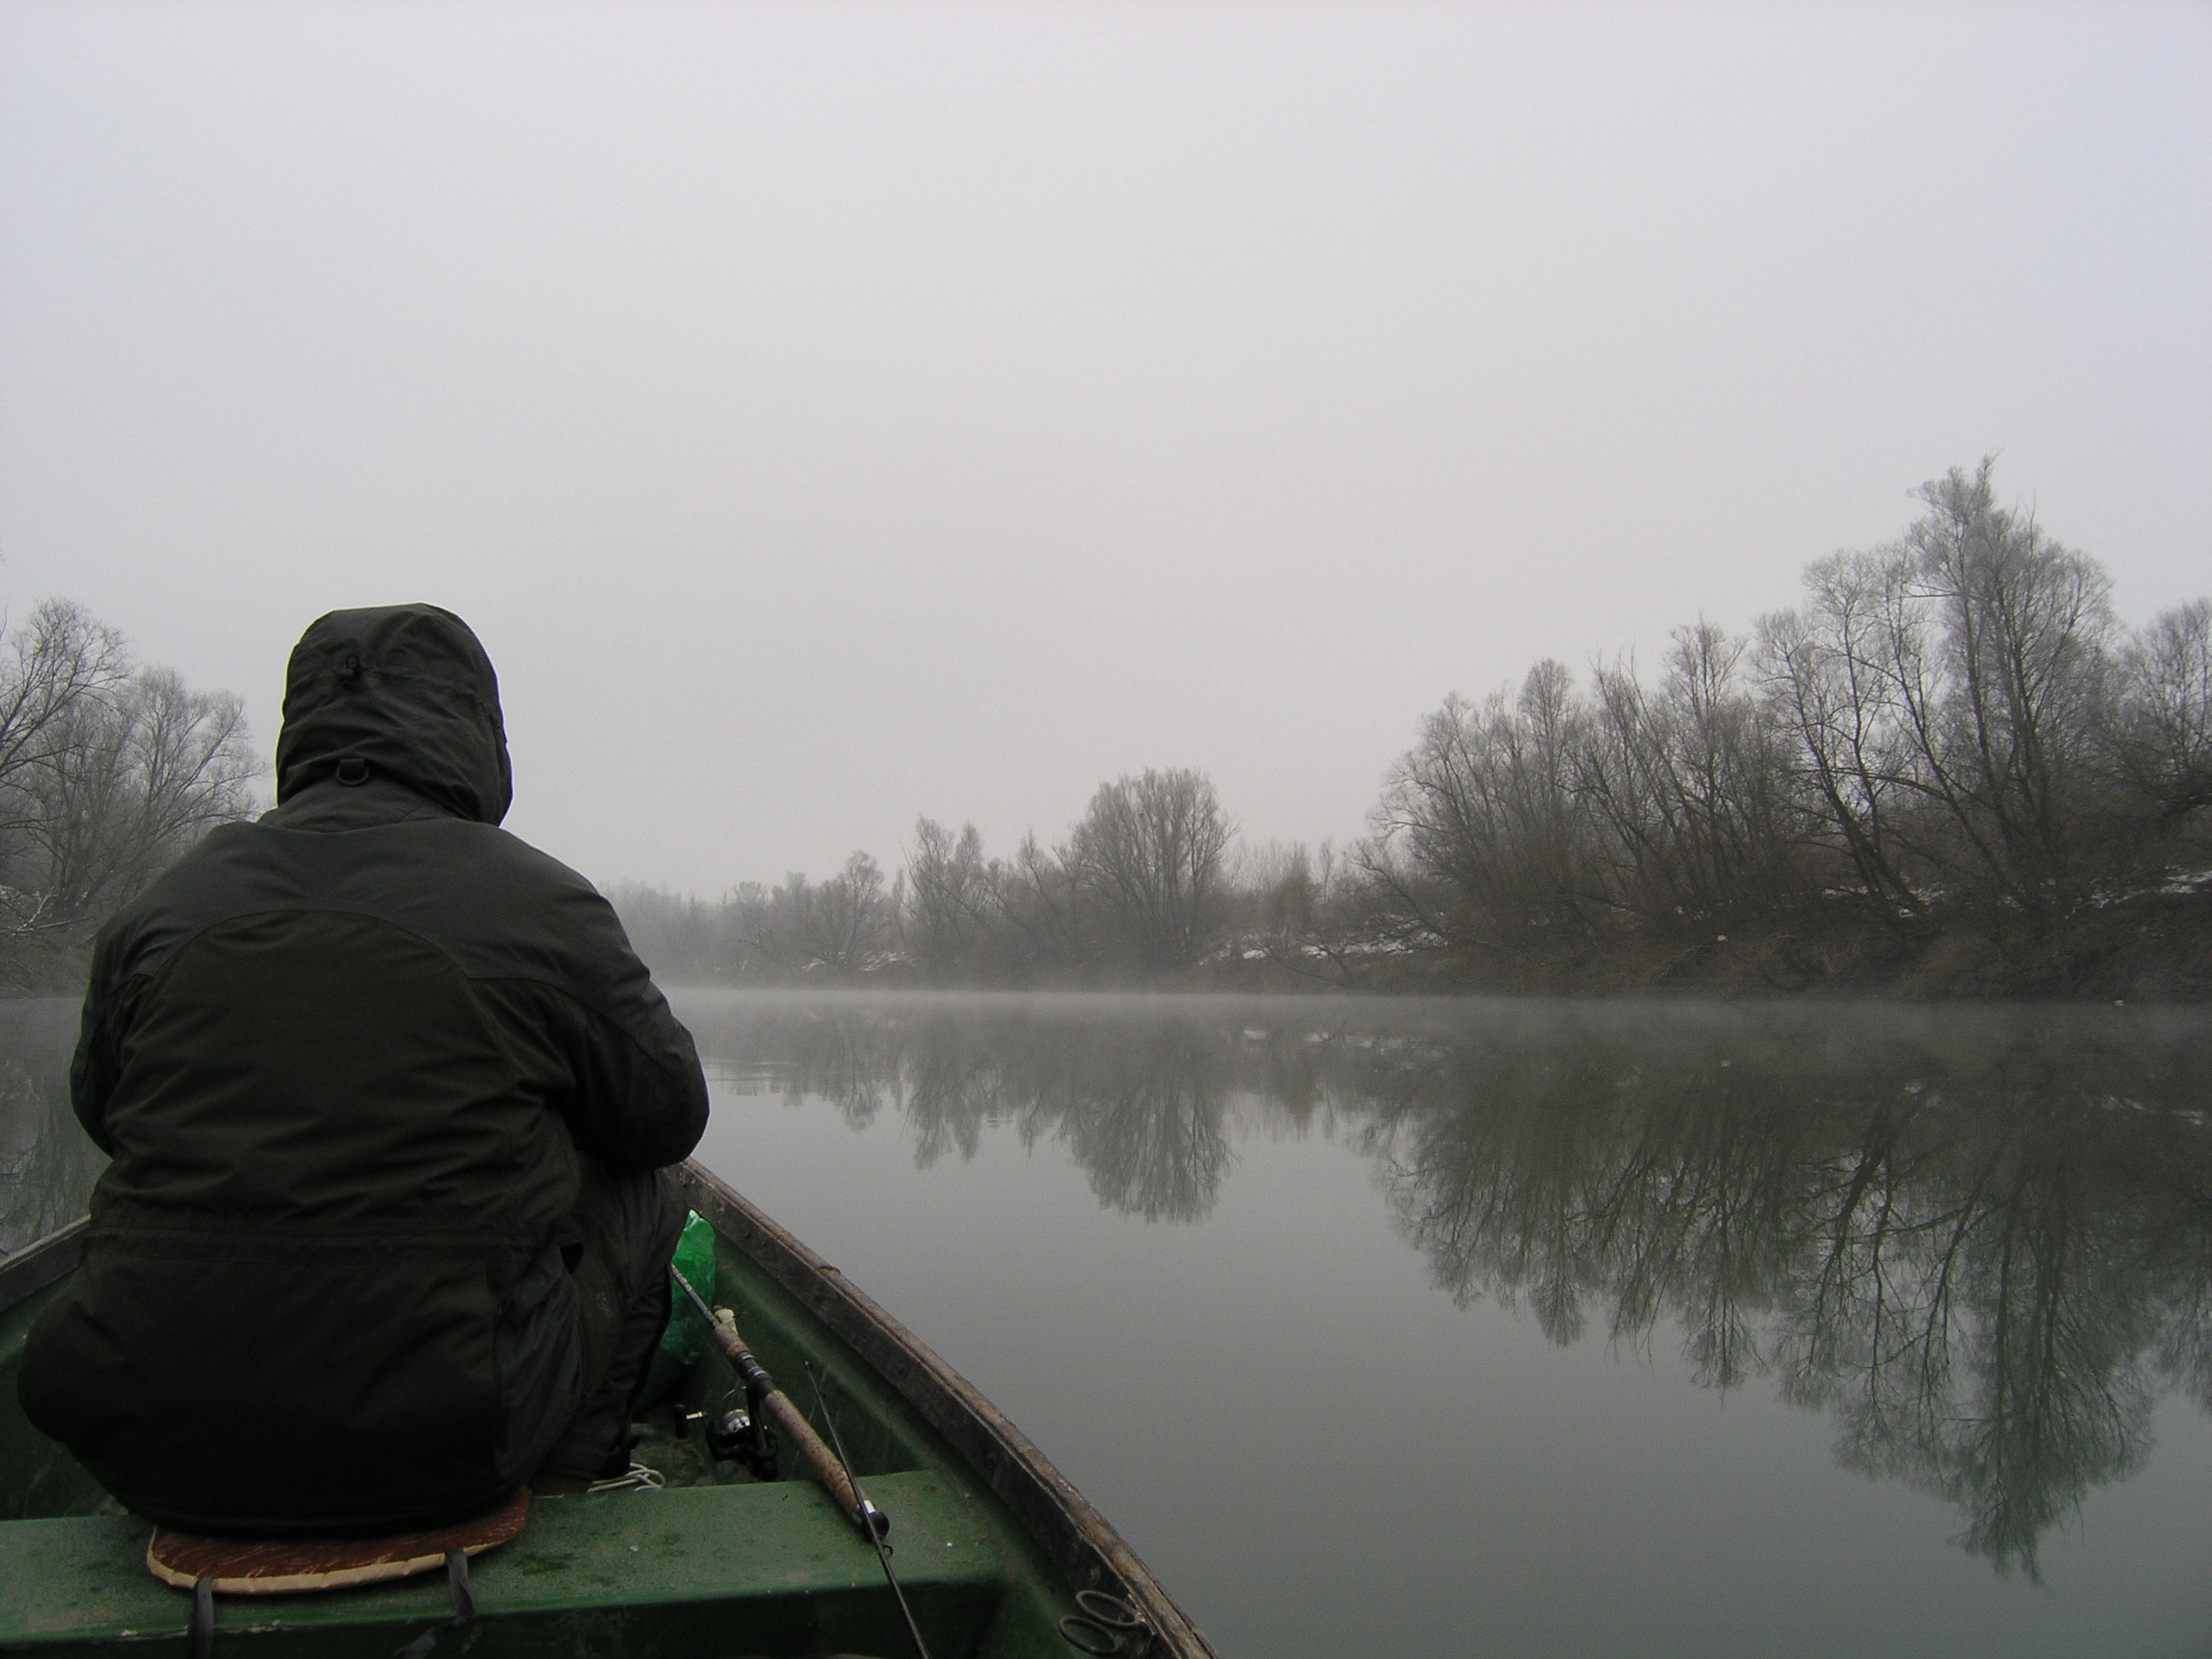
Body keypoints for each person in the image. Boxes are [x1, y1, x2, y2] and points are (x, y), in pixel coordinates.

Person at [20, 604, 709, 1534]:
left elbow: (104, 1112)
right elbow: (667, 1119)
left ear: (301, 729)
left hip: (143, 1440)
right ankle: (569, 1472)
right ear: (478, 736)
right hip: (451, 1445)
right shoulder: (540, 900)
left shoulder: (164, 907)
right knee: (647, 1189)